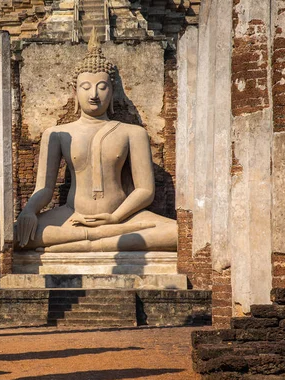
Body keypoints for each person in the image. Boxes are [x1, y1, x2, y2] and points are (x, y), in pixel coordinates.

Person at [15, 30, 177, 253]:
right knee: (16, 235)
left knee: (178, 234)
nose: (94, 95)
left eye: (102, 87)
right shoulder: (57, 134)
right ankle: (96, 239)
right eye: (86, 87)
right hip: (73, 215)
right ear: (75, 91)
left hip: (123, 217)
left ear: (112, 92)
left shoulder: (133, 132)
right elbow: (44, 189)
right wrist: (29, 211)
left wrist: (114, 217)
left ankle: (86, 243)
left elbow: (145, 190)